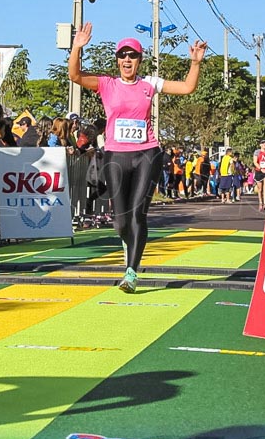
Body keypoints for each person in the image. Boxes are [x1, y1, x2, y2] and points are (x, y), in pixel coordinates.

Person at [68, 22, 206, 293]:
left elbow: (188, 87)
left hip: (146, 154)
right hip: (116, 155)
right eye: (123, 55)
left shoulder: (149, 84)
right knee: (120, 220)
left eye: (132, 55)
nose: (127, 60)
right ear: (118, 60)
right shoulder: (107, 84)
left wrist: (195, 63)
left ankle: (131, 272)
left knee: (137, 215)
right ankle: (128, 242)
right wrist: (76, 47)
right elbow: (75, 75)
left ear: (140, 60)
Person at [252, 139, 265, 211]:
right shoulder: (257, 152)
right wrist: (260, 169)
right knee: (260, 189)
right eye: (263, 143)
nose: (264, 144)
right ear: (260, 145)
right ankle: (261, 202)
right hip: (259, 171)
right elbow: (255, 162)